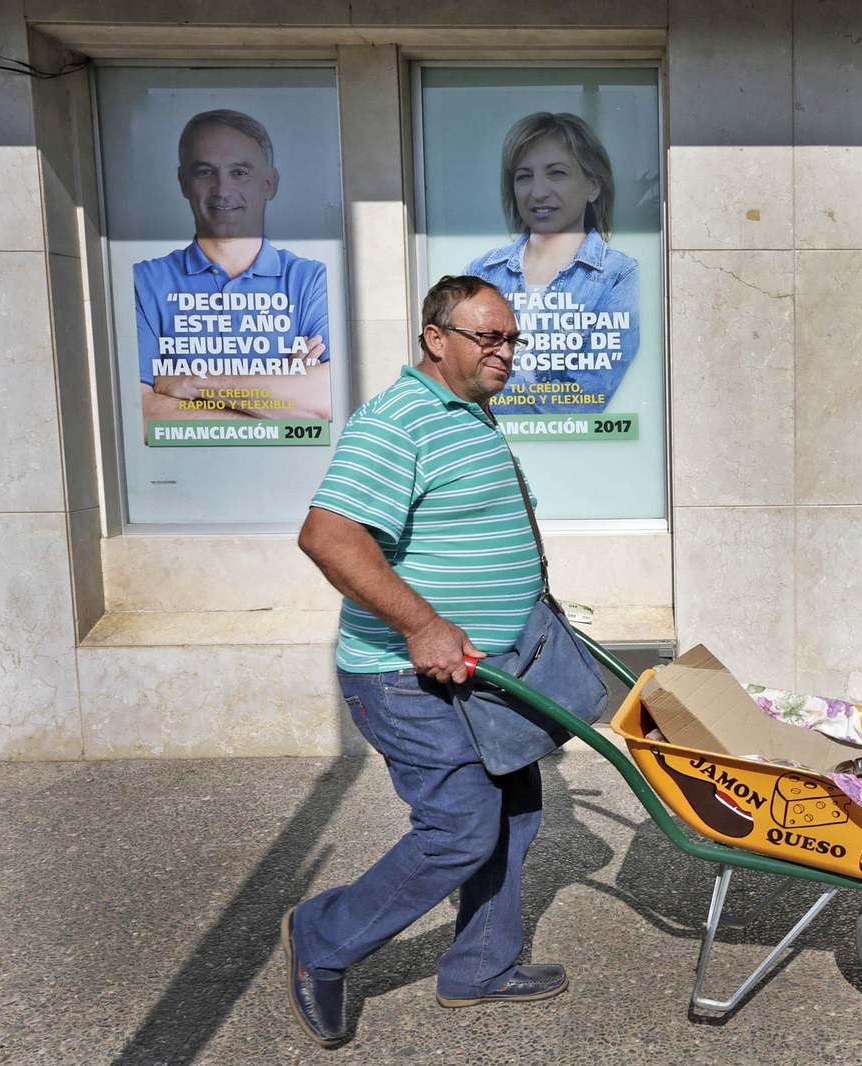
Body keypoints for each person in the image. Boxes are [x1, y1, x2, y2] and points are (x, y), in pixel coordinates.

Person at [281, 276, 562, 1048]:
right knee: (459, 829)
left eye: (511, 338)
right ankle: (322, 937)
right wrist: (424, 624)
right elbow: (329, 536)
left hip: (485, 673)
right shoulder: (398, 420)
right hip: (406, 676)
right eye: (489, 338)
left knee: (514, 810)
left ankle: (480, 966)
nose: (505, 353)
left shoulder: (469, 412)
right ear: (437, 338)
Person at [135, 109, 332, 426]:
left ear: (269, 184)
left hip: (294, 471)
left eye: (240, 172)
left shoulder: (311, 281)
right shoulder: (144, 282)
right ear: (183, 182)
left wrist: (193, 383)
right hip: (179, 473)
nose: (222, 189)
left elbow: (326, 399)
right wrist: (278, 396)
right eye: (204, 172)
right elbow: (141, 416)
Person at [465, 112, 640, 415]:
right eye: (524, 176)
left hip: (571, 456)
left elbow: (583, 400)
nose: (538, 191)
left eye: (556, 173)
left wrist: (490, 393)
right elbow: (460, 380)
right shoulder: (482, 273)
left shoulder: (617, 276)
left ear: (594, 187)